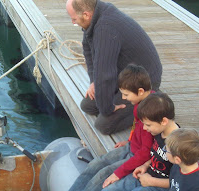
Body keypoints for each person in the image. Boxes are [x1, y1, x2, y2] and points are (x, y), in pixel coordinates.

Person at [48, 92, 179, 191]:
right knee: (109, 190)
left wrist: (151, 180)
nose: (145, 129)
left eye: (148, 125)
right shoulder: (159, 132)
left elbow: (178, 183)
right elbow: (154, 155)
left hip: (158, 188)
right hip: (146, 175)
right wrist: (145, 166)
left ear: (164, 121)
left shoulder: (178, 146)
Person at [41, 64, 155, 191]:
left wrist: (119, 173)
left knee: (103, 175)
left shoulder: (151, 112)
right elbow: (137, 128)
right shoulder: (139, 105)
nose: (123, 98)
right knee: (97, 164)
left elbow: (146, 152)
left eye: (126, 94)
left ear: (141, 91)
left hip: (138, 157)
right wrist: (129, 140)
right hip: (131, 147)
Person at [66, 0, 162, 135]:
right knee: (87, 106)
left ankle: (154, 97)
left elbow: (105, 74)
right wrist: (93, 81)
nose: (73, 23)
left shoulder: (105, 29)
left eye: (74, 19)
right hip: (124, 73)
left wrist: (107, 109)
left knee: (104, 125)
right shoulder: (97, 15)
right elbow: (87, 50)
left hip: (143, 81)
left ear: (86, 15)